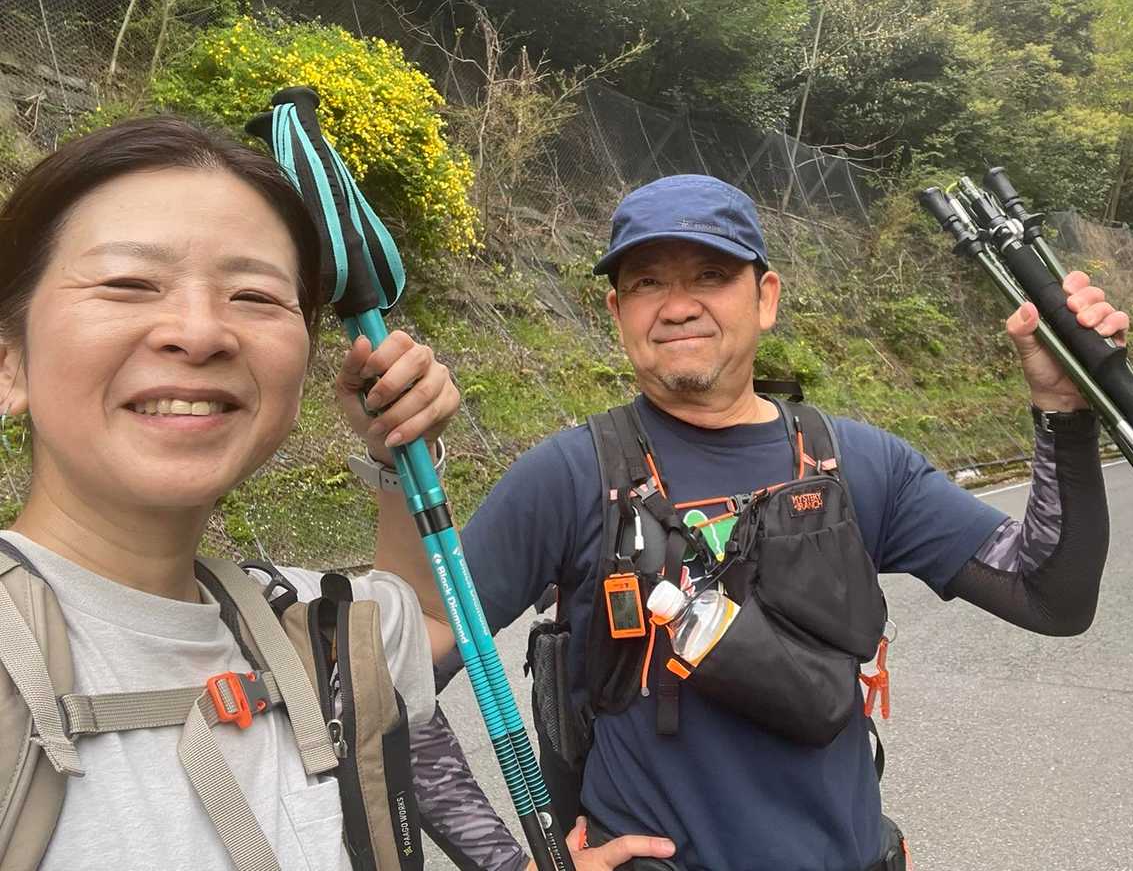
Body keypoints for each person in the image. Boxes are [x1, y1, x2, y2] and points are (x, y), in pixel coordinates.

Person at [397, 174, 1125, 871]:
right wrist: (508, 862)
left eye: (711, 275)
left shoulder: (859, 464)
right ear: (617, 312)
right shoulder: (565, 479)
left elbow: (1049, 596)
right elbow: (390, 688)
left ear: (765, 297)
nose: (677, 307)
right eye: (647, 283)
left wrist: (1064, 413)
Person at [0, 116, 669, 871]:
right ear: (9, 363)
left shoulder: (306, 634)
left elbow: (430, 624)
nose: (199, 331)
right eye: (127, 284)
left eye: (254, 295)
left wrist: (398, 453)